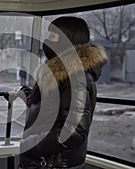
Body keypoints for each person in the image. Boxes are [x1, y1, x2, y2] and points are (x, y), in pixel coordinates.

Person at [18, 16, 108, 169]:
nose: (47, 40)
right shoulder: (59, 73)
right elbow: (49, 106)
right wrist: (24, 92)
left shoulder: (74, 78)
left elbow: (75, 131)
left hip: (53, 163)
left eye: (52, 36)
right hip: (44, 161)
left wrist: (30, 144)